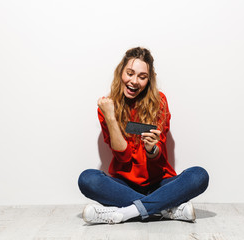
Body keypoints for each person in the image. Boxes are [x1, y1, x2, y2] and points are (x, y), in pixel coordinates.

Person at [78, 47, 209, 224]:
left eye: (142, 76)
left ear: (149, 79)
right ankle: (165, 208)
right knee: (87, 179)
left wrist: (152, 149)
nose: (134, 81)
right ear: (121, 72)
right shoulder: (107, 107)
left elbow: (157, 157)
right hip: (124, 185)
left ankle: (126, 212)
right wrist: (110, 116)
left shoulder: (159, 101)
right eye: (130, 73)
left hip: (160, 183)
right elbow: (122, 157)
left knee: (199, 176)